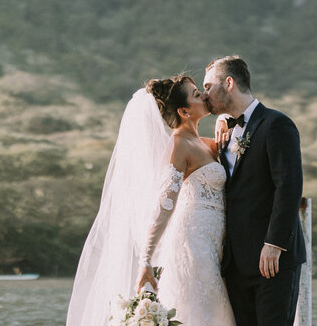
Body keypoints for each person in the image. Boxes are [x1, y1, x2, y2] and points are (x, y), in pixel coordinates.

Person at [67, 75, 234, 326]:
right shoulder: (179, 144)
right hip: (193, 244)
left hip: (216, 243)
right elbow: (165, 205)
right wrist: (145, 259)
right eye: (196, 94)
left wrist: (224, 119)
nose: (204, 96)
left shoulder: (206, 144)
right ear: (184, 111)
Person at [203, 55, 306, 326]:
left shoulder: (276, 124)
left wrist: (274, 244)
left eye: (208, 86)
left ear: (228, 83)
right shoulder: (225, 133)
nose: (205, 94)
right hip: (236, 263)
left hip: (272, 259)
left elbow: (289, 187)